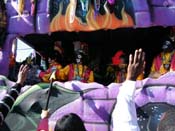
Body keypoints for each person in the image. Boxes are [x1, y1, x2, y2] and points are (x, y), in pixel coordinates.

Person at [112, 48, 175, 131]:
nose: (121, 64)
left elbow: (124, 106)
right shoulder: (158, 58)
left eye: (122, 62)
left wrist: (131, 79)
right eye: (120, 62)